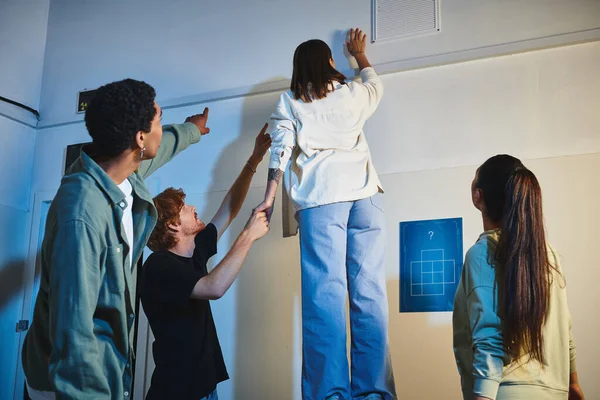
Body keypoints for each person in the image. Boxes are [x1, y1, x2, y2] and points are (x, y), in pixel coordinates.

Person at [22, 78, 211, 399]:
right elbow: (74, 333)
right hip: (65, 385)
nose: (161, 129)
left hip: (104, 372)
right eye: (159, 121)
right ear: (139, 137)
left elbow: (160, 149)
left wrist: (191, 131)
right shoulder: (81, 213)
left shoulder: (121, 174)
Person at [254, 28, 396, 400]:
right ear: (330, 63)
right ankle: (375, 394)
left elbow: (280, 150)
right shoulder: (352, 93)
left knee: (324, 300)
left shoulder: (291, 101)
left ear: (299, 69)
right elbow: (375, 84)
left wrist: (269, 197)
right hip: (365, 197)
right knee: (369, 297)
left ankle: (329, 394)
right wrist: (360, 55)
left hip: (322, 200)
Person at [140, 124, 271, 400]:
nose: (191, 207)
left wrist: (254, 159)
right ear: (173, 226)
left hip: (204, 388)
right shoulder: (158, 266)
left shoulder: (194, 250)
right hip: (177, 393)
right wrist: (248, 236)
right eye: (183, 208)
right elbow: (213, 287)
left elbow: (229, 209)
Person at [453, 154, 585, 400]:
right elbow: (565, 327)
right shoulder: (550, 255)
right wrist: (573, 384)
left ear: (477, 195)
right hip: (556, 392)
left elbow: (490, 340)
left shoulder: (483, 253)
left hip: (504, 392)